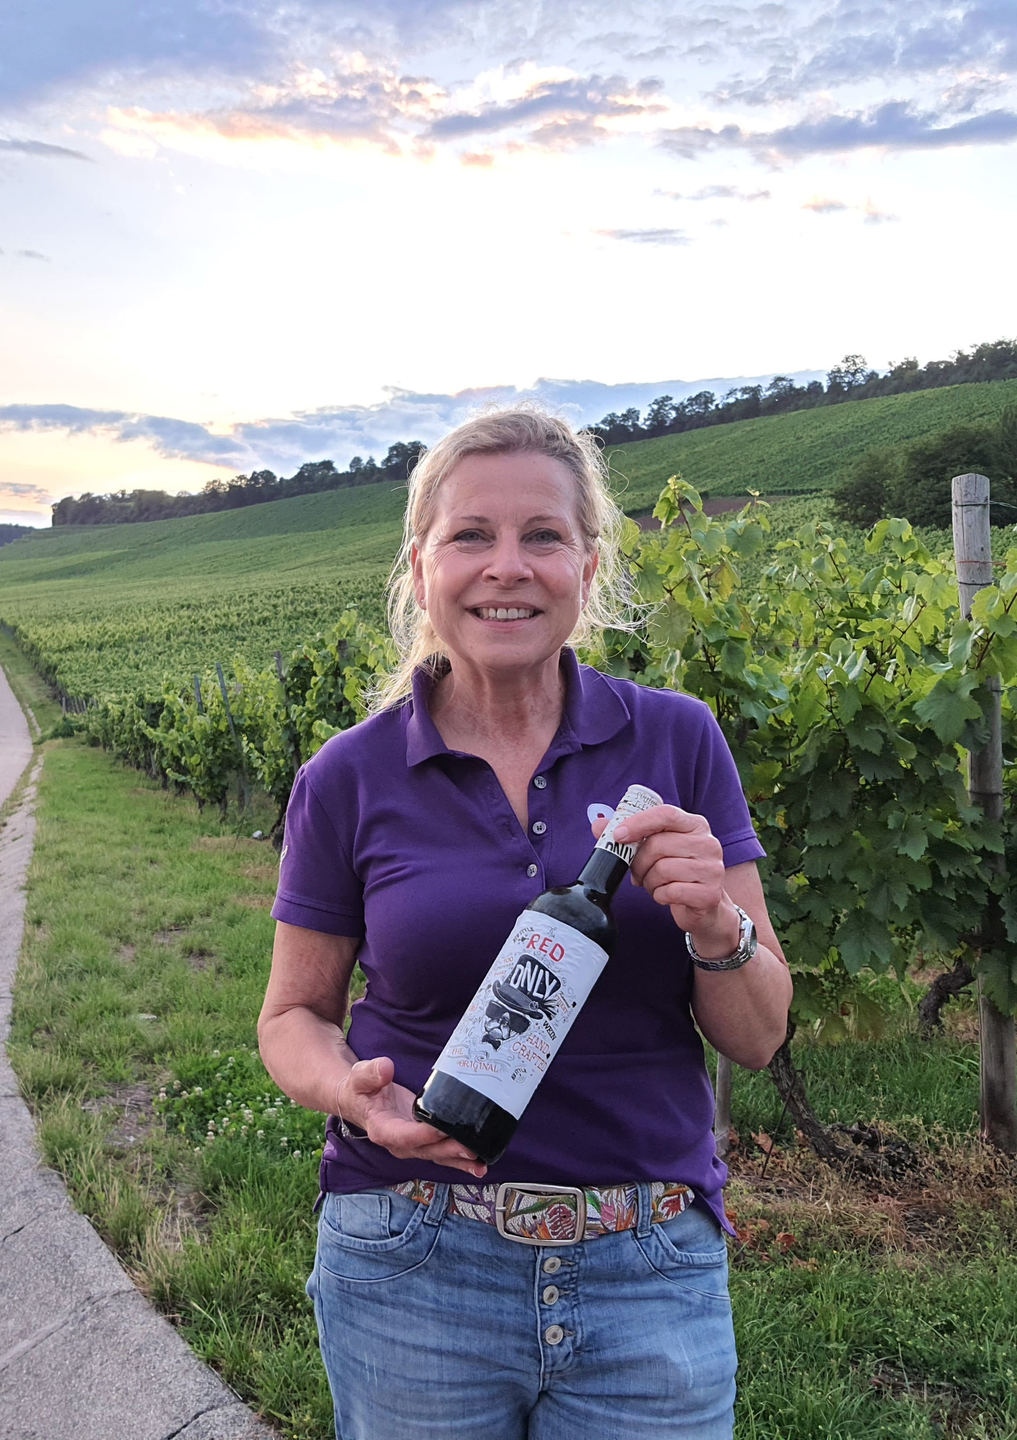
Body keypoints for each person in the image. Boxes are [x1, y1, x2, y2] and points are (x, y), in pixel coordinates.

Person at [258, 408, 793, 1439]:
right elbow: (293, 1018)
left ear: (588, 565)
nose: (507, 566)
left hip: (647, 1263)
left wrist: (717, 924)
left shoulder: (678, 741)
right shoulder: (348, 776)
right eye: (471, 535)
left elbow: (759, 1037)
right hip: (412, 1252)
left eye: (542, 535)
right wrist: (351, 1094)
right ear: (421, 566)